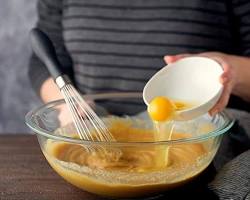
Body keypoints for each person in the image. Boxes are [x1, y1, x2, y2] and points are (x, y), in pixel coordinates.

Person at [28, 0, 250, 198]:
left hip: (210, 125)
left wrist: (232, 73)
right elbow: (44, 60)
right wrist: (67, 102)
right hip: (94, 122)